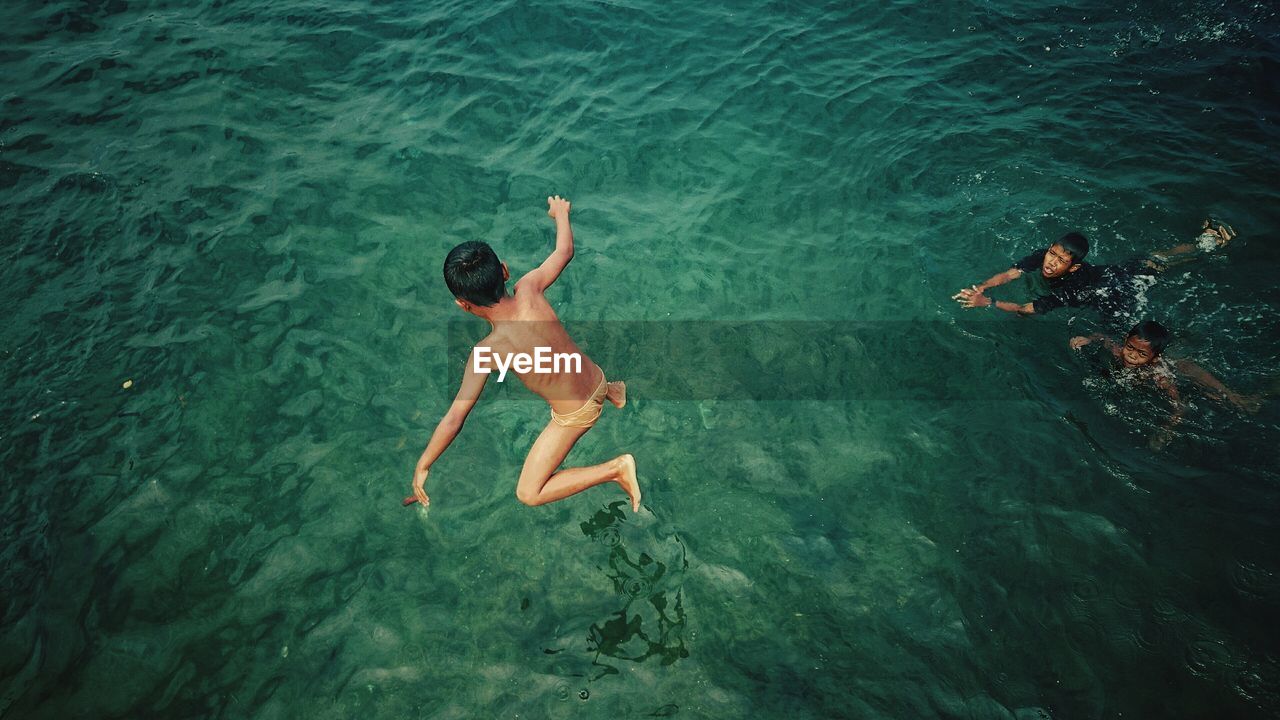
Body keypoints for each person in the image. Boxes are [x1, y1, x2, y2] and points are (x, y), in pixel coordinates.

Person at [405, 196, 641, 512]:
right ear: (504, 271)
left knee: (529, 492)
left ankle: (616, 469)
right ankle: (611, 392)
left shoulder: (486, 353)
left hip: (577, 414)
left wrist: (424, 464)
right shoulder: (529, 287)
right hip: (595, 377)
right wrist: (561, 214)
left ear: (463, 304)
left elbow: (455, 418)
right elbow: (564, 252)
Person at [952, 221, 1236, 323]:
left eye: (1061, 260)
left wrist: (988, 304)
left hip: (1114, 290)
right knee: (1149, 259)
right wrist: (984, 287)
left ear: (1073, 266)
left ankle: (1204, 250)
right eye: (1052, 253)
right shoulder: (1042, 256)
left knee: (1157, 267)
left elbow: (1026, 309)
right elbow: (1009, 274)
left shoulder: (1072, 287)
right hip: (1111, 271)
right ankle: (1204, 242)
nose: (1051, 262)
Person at [1069, 320, 1263, 447]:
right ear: (1125, 341)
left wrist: (1167, 428)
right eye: (1130, 347)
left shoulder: (1159, 375)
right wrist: (1087, 339)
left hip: (1178, 368)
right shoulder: (1119, 350)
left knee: (1201, 384)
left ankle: (1239, 399)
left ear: (1153, 358)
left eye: (1141, 354)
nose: (1131, 355)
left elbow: (1180, 406)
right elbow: (1102, 337)